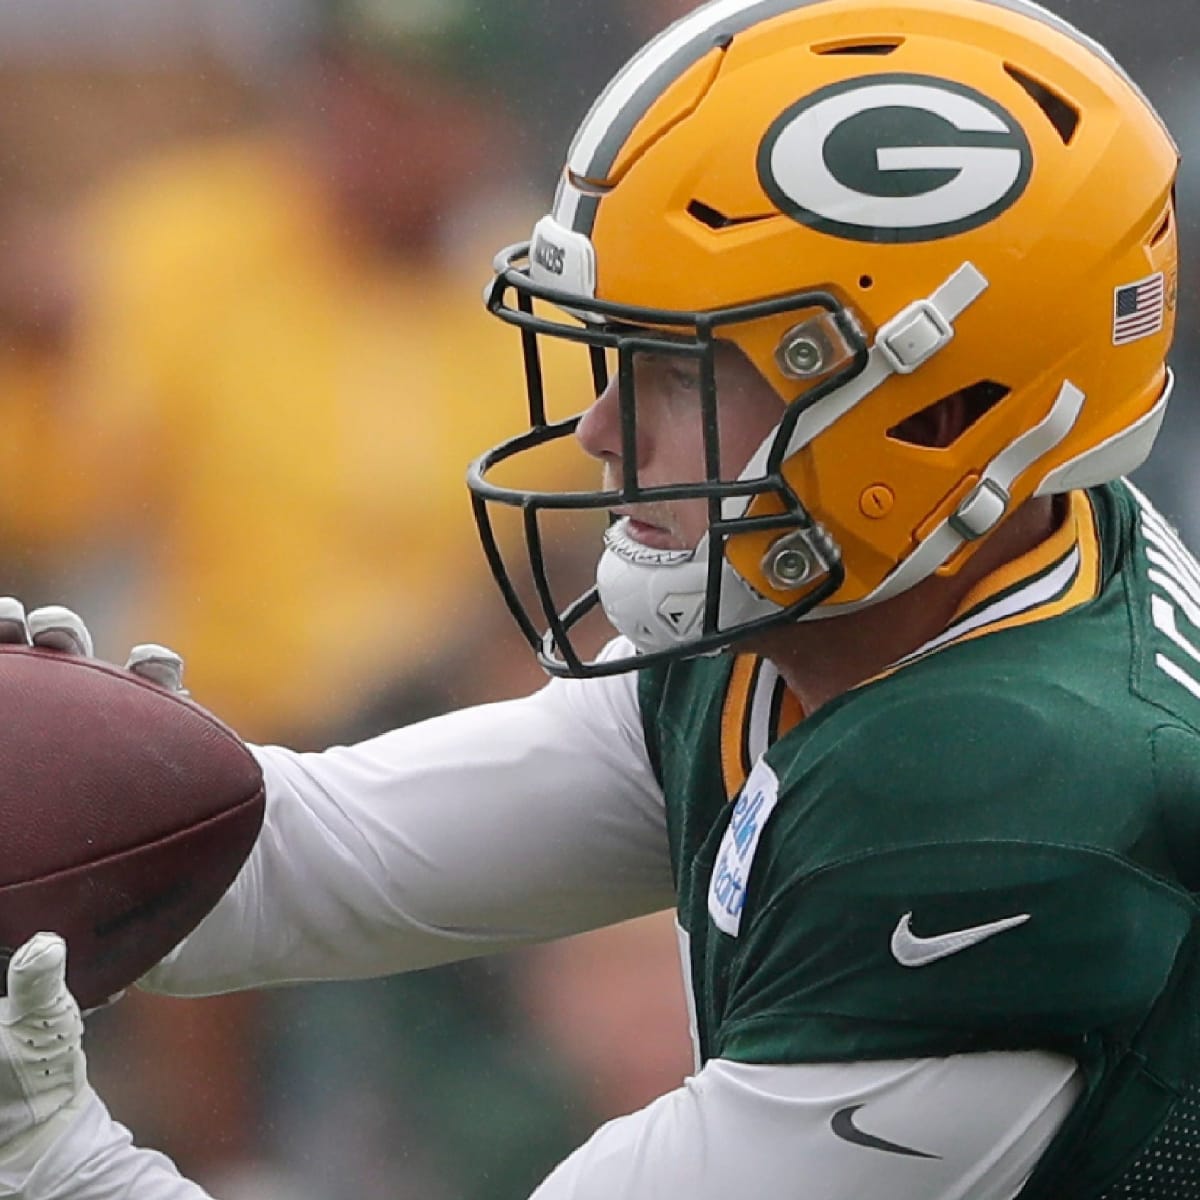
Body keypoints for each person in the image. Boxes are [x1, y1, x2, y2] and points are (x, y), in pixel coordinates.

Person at [0, 0, 1193, 1196]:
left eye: (675, 371)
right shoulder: (905, 576)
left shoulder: (1003, 810)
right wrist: (73, 816)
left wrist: (51, 1162)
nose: (602, 430)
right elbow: (326, 858)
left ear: (933, 417)